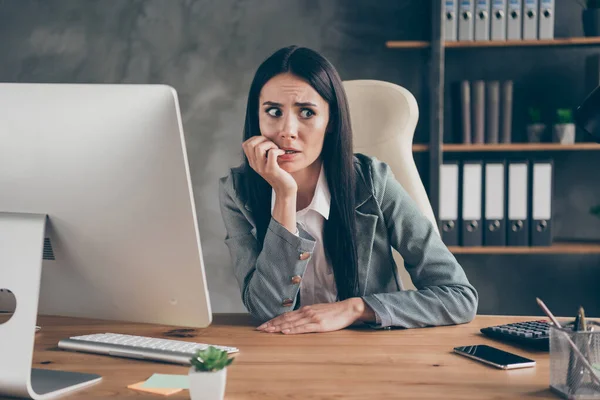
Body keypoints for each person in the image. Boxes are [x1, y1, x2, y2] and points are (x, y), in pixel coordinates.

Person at [218, 45, 478, 334]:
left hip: (371, 352)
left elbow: (459, 297)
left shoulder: (373, 181)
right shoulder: (237, 192)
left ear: (331, 121)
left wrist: (355, 308)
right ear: (257, 118)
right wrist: (284, 196)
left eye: (306, 112)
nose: (287, 130)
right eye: (273, 111)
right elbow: (267, 311)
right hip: (287, 355)